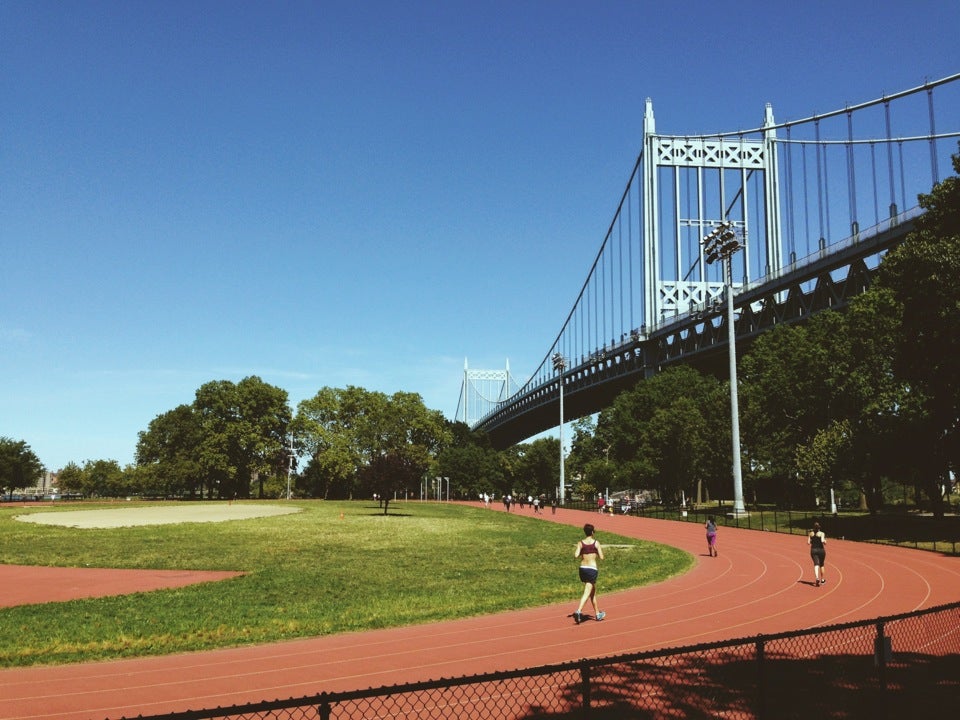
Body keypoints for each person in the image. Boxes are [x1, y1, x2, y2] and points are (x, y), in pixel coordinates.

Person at [573, 523, 606, 624]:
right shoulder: (596, 543)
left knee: (592, 592)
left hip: (582, 568)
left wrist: (583, 552)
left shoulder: (580, 543)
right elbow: (602, 557)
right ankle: (579, 610)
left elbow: (576, 555)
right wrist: (595, 552)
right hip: (592, 569)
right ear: (592, 532)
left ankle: (597, 614)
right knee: (587, 592)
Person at [808, 521, 827, 586]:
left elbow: (808, 542)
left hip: (813, 550)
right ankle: (822, 580)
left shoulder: (810, 533)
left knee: (816, 564)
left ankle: (817, 578)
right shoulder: (822, 533)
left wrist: (812, 540)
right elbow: (822, 541)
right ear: (819, 528)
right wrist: (825, 541)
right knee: (821, 565)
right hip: (821, 550)